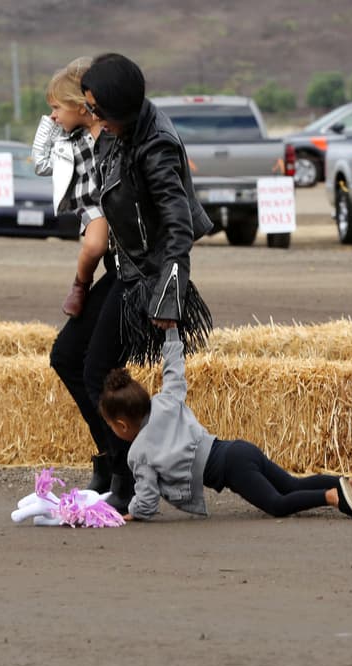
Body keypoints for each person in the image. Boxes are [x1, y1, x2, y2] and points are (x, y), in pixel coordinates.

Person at [79, 52, 215, 512]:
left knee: (97, 372)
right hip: (123, 267)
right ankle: (110, 460)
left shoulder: (154, 145)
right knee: (66, 356)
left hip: (149, 279)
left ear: (120, 108)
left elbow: (178, 227)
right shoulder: (121, 129)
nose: (92, 116)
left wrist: (168, 295)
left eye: (97, 109)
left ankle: (128, 476)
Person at [99, 323, 352, 522]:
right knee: (290, 484)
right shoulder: (166, 401)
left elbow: (147, 499)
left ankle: (333, 496)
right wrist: (172, 333)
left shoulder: (138, 454)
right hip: (237, 448)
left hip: (231, 469)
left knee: (276, 505)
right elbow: (174, 370)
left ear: (122, 424)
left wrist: (133, 511)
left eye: (111, 426)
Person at [34, 57, 119, 494]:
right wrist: (51, 127)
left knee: (85, 364)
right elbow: (42, 162)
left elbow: (96, 241)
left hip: (132, 273)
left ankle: (122, 468)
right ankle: (112, 459)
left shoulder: (107, 146)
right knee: (75, 358)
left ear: (83, 106)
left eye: (56, 107)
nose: (49, 116)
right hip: (119, 269)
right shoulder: (82, 140)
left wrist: (81, 282)